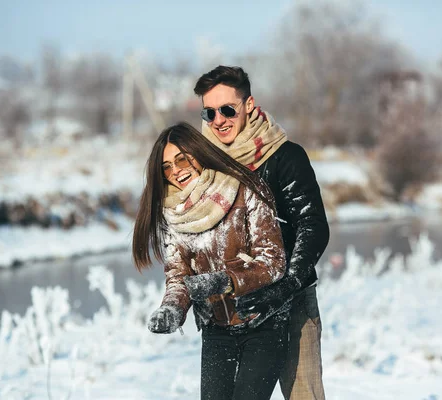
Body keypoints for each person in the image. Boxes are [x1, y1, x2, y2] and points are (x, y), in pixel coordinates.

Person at [194, 66, 330, 400]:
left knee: (304, 396)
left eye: (228, 109)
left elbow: (313, 226)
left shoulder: (285, 156)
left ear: (249, 105)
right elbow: (197, 231)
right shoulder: (203, 162)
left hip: (291, 300)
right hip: (229, 305)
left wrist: (286, 286)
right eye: (209, 112)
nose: (219, 120)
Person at [132, 122, 289, 400]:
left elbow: (273, 260)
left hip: (264, 321)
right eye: (166, 166)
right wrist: (172, 309)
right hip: (217, 329)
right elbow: (178, 276)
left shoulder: (244, 188)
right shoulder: (173, 213)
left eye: (181, 158)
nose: (176, 170)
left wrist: (224, 281)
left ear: (198, 152)